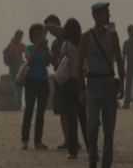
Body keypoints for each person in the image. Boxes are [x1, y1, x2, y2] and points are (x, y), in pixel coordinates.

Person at [77, 2, 124, 168]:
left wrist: (122, 84)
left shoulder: (113, 36)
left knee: (109, 130)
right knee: (93, 125)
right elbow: (80, 65)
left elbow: (119, 60)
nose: (109, 15)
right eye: (106, 13)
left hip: (108, 83)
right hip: (93, 84)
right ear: (97, 16)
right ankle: (93, 157)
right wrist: (81, 90)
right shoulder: (86, 37)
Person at [20, 22, 50, 150]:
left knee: (41, 113)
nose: (38, 36)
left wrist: (46, 49)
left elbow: (48, 62)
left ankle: (38, 140)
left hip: (43, 81)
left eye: (40, 34)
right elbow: (29, 60)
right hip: (31, 81)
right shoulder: (29, 48)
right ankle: (25, 139)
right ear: (32, 36)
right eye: (36, 34)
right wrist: (38, 47)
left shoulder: (44, 49)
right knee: (29, 110)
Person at [60, 17, 85, 159]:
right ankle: (90, 147)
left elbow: (61, 63)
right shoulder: (83, 44)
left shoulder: (65, 45)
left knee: (71, 118)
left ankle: (73, 150)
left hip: (68, 83)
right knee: (83, 116)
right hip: (80, 81)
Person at [45, 15, 69, 149]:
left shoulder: (68, 36)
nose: (51, 32)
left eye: (52, 27)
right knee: (62, 111)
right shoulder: (54, 43)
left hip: (70, 78)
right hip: (60, 78)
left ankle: (72, 138)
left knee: (71, 111)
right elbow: (53, 63)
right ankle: (67, 138)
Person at [3, 30, 25, 106]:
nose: (22, 37)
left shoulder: (10, 44)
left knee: (14, 84)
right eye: (21, 36)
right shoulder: (20, 45)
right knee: (19, 84)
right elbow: (25, 55)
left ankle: (16, 102)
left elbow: (4, 52)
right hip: (18, 65)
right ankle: (18, 103)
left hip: (12, 66)